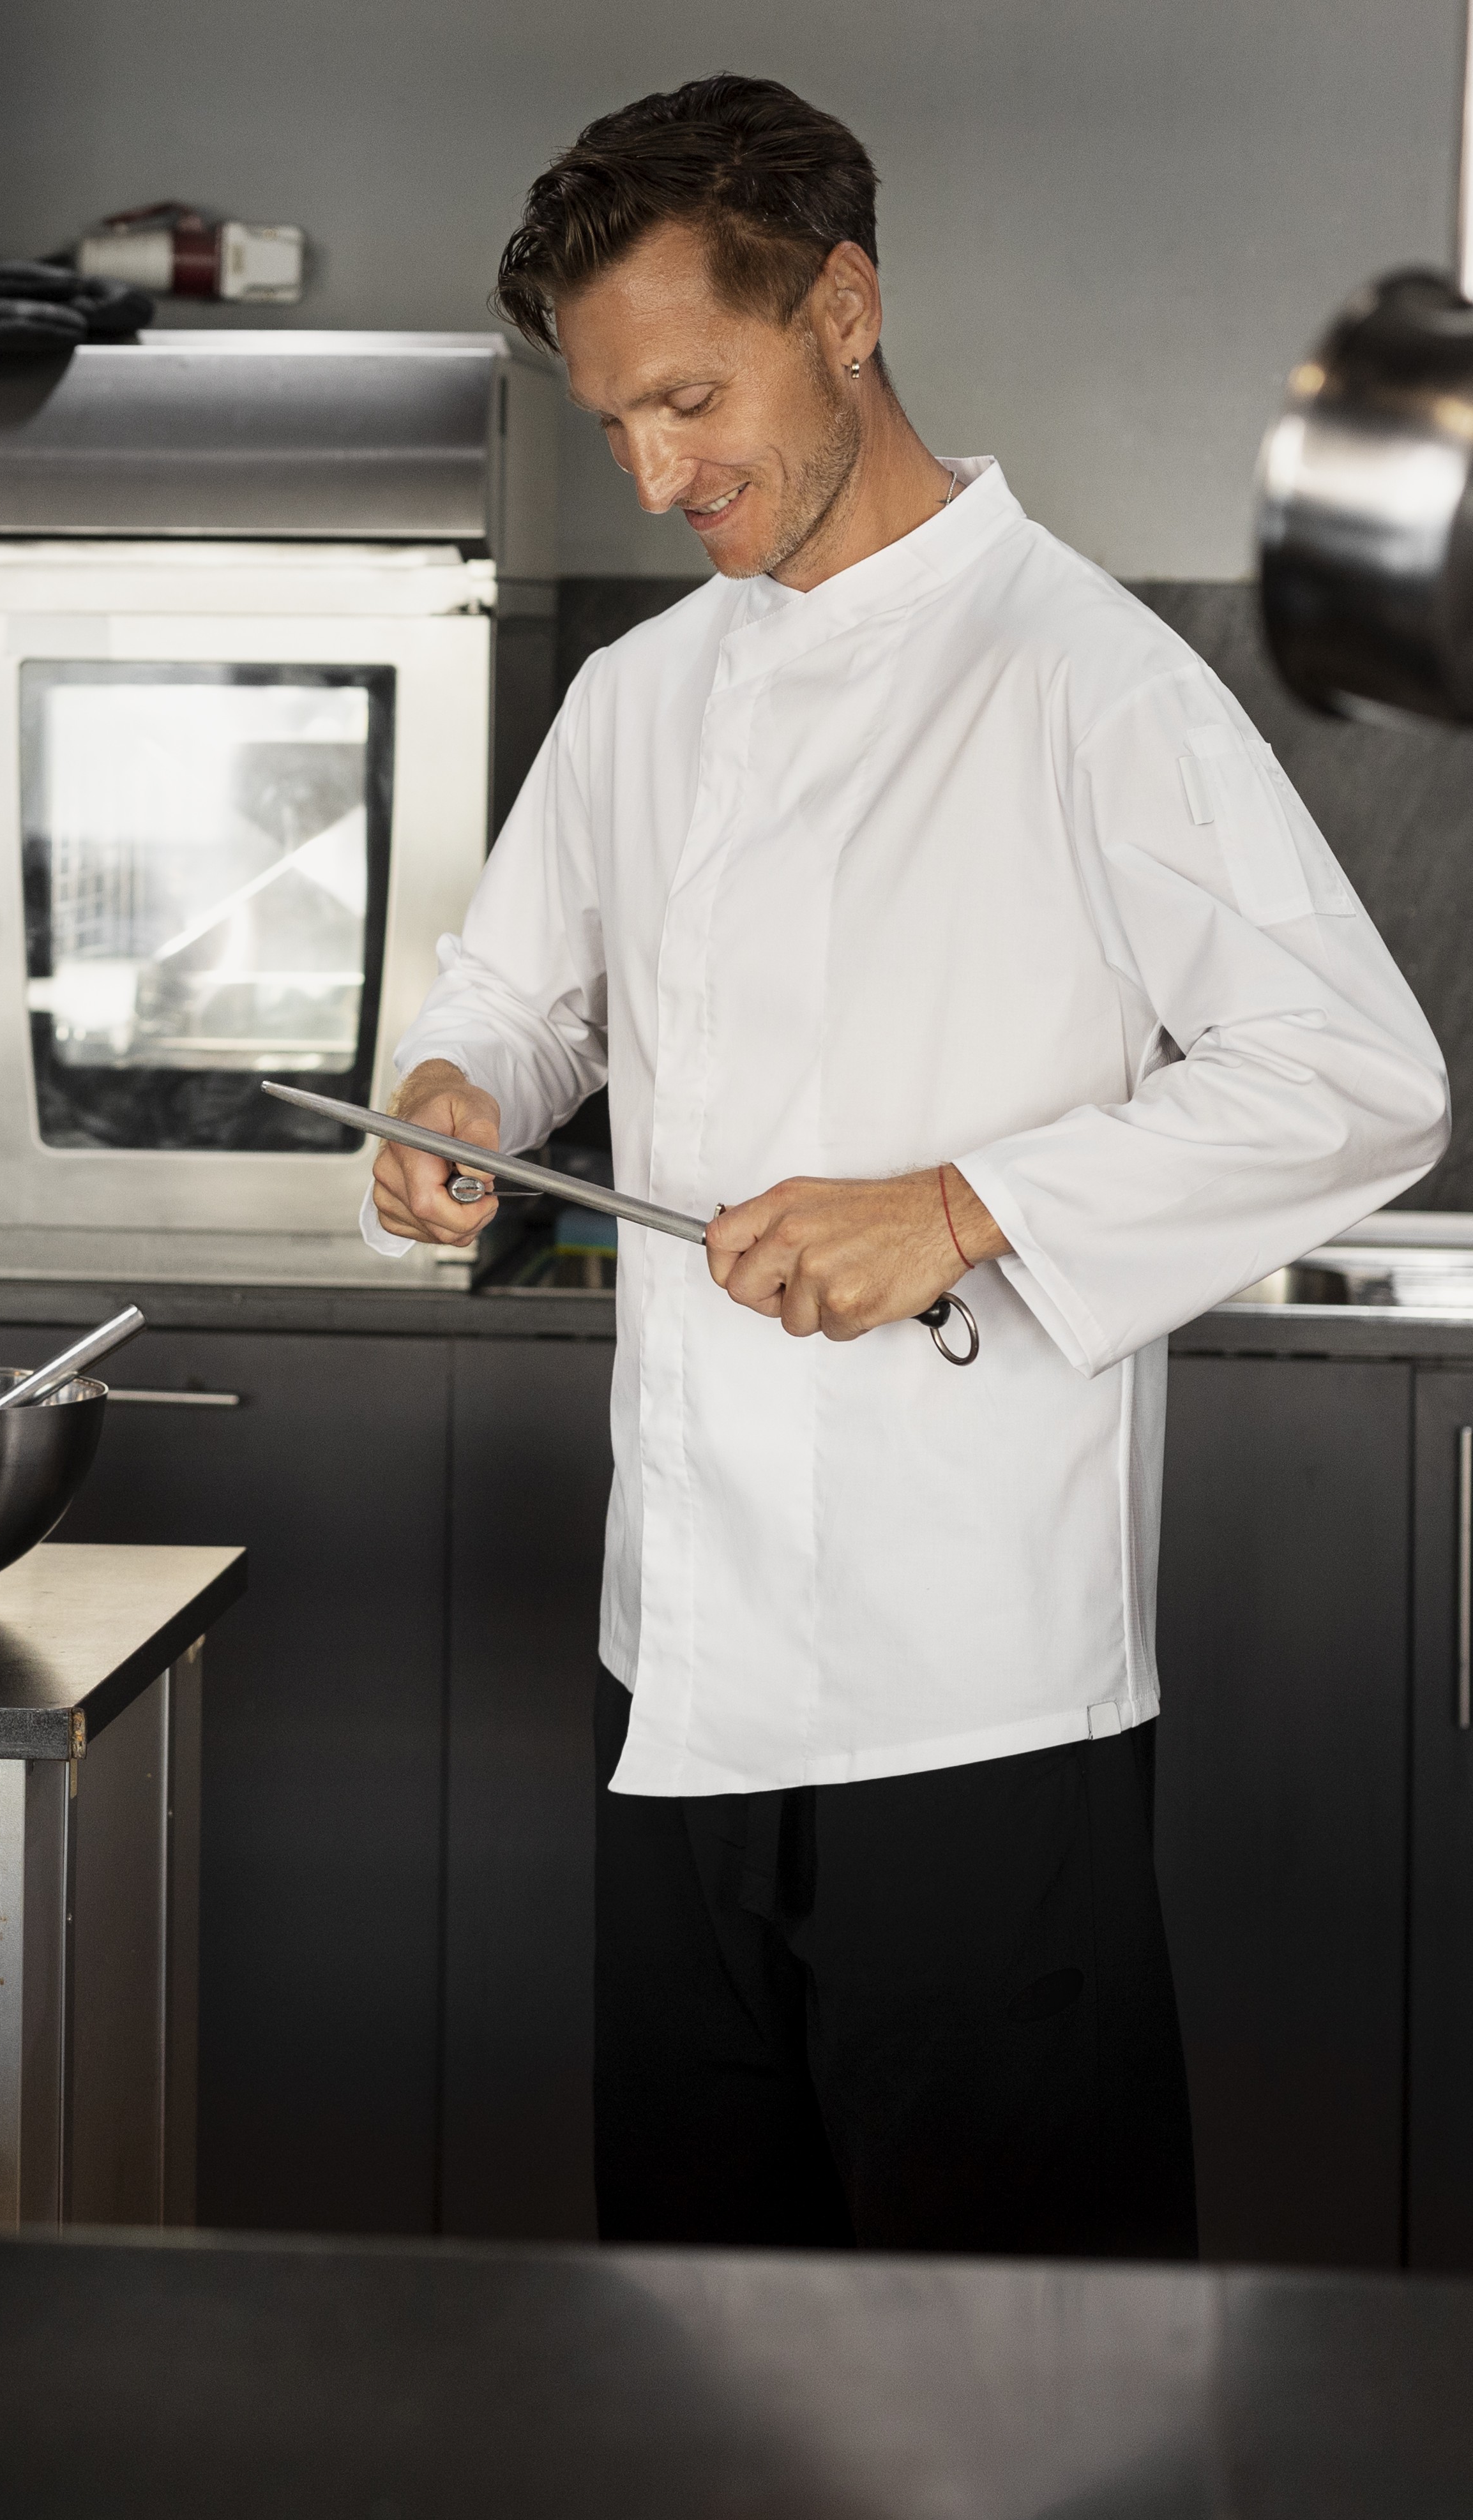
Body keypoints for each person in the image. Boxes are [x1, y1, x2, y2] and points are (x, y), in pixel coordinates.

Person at [369, 76, 1447, 2256]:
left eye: (690, 397)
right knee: (697, 2326)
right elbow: (523, 996)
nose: (660, 473)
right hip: (673, 1658)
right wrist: (462, 1099)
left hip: (970, 1691)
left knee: (1011, 2367)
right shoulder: (645, 699)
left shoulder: (1084, 679)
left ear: (844, 310)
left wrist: (957, 1206)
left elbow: (1359, 1071)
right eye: (614, 429)